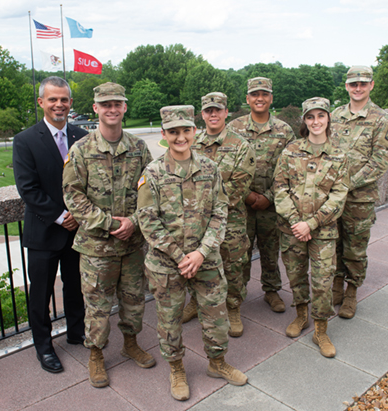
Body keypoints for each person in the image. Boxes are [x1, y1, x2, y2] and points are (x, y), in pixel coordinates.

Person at [137, 105, 247, 401]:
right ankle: (176, 368)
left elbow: (221, 211)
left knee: (215, 316)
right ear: (164, 135)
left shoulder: (209, 169)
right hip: (166, 264)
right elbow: (147, 220)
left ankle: (217, 362)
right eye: (173, 132)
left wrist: (201, 252)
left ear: (194, 131)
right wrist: (180, 256)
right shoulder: (153, 172)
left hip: (206, 259)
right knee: (169, 320)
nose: (180, 137)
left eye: (186, 130)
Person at [62, 82, 155, 388]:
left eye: (117, 103)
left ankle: (131, 343)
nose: (112, 109)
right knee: (97, 306)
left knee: (133, 301)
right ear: (96, 109)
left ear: (124, 107)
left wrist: (134, 221)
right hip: (96, 247)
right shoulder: (81, 150)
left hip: (131, 245)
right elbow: (73, 196)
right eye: (106, 104)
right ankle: (96, 354)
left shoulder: (139, 149)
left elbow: (152, 191)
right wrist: (110, 224)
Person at [13, 76, 86, 373]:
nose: (59, 104)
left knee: (75, 286)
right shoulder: (25, 140)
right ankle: (43, 347)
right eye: (53, 99)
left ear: (70, 103)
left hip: (78, 231)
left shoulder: (82, 137)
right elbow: (28, 188)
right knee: (41, 294)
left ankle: (76, 333)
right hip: (44, 232)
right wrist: (61, 216)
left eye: (64, 99)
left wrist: (79, 216)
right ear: (41, 102)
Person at [274, 97, 349, 357]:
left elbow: (339, 196)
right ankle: (301, 315)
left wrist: (312, 223)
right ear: (304, 120)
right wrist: (296, 222)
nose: (316, 121)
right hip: (292, 230)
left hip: (323, 232)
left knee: (322, 281)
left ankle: (321, 329)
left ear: (328, 118)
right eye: (310, 117)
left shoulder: (338, 155)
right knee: (295, 277)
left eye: (321, 116)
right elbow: (279, 187)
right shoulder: (291, 150)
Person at [182, 92, 255, 337]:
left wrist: (209, 209)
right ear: (201, 115)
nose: (213, 114)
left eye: (218, 110)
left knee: (233, 265)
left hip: (230, 221)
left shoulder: (240, 145)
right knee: (198, 264)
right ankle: (195, 301)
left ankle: (233, 308)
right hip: (198, 223)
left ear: (226, 113)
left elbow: (240, 186)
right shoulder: (193, 143)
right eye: (208, 111)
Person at [331, 66, 388, 319]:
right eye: (353, 83)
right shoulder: (335, 115)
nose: (358, 88)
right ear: (346, 86)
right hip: (333, 198)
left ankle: (351, 291)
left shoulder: (381, 119)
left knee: (355, 248)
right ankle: (336, 285)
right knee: (333, 244)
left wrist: (346, 184)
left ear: (371, 85)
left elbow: (379, 162)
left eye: (363, 83)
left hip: (360, 199)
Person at [227, 77, 295, 313]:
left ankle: (272, 290)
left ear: (271, 98)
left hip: (271, 203)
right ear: (247, 99)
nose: (260, 98)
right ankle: (236, 296)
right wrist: (246, 195)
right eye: (255, 94)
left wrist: (269, 196)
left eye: (264, 94)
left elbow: (290, 169)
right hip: (241, 205)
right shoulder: (233, 129)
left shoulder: (284, 131)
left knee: (270, 249)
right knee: (239, 253)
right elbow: (228, 167)